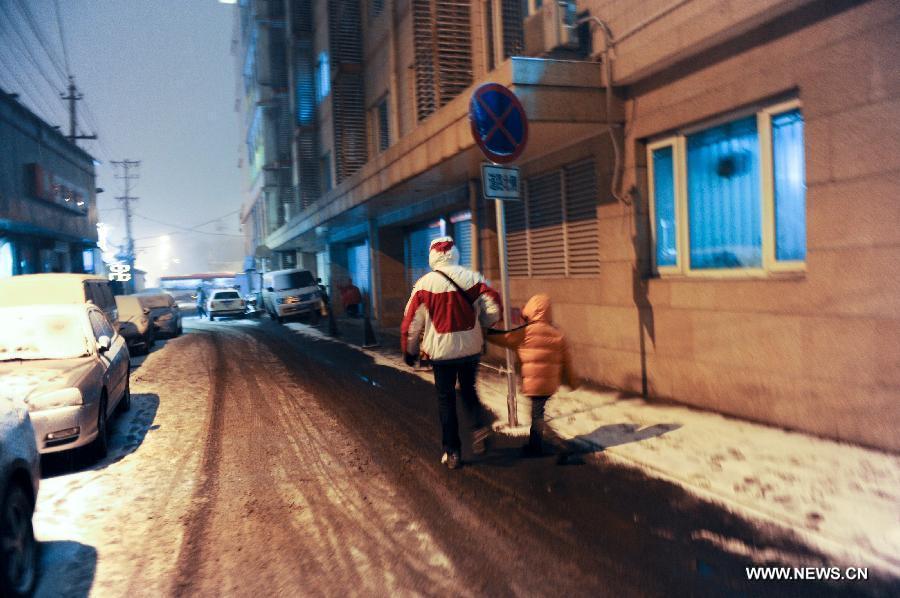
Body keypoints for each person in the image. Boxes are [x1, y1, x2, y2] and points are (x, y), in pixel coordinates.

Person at [401, 236, 502, 470]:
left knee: (445, 400)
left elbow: (411, 322)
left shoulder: (425, 284)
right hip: (470, 349)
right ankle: (478, 428)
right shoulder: (473, 278)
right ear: (455, 253)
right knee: (469, 390)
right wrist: (485, 323)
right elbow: (493, 305)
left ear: (432, 256)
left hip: (441, 353)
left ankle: (453, 451)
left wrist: (410, 351)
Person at [486, 293, 579, 456]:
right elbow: (567, 362)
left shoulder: (525, 332)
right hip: (549, 385)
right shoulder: (558, 334)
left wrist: (485, 333)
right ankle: (538, 442)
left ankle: (545, 444)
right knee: (538, 412)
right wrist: (572, 381)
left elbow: (504, 338)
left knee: (537, 414)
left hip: (534, 384)